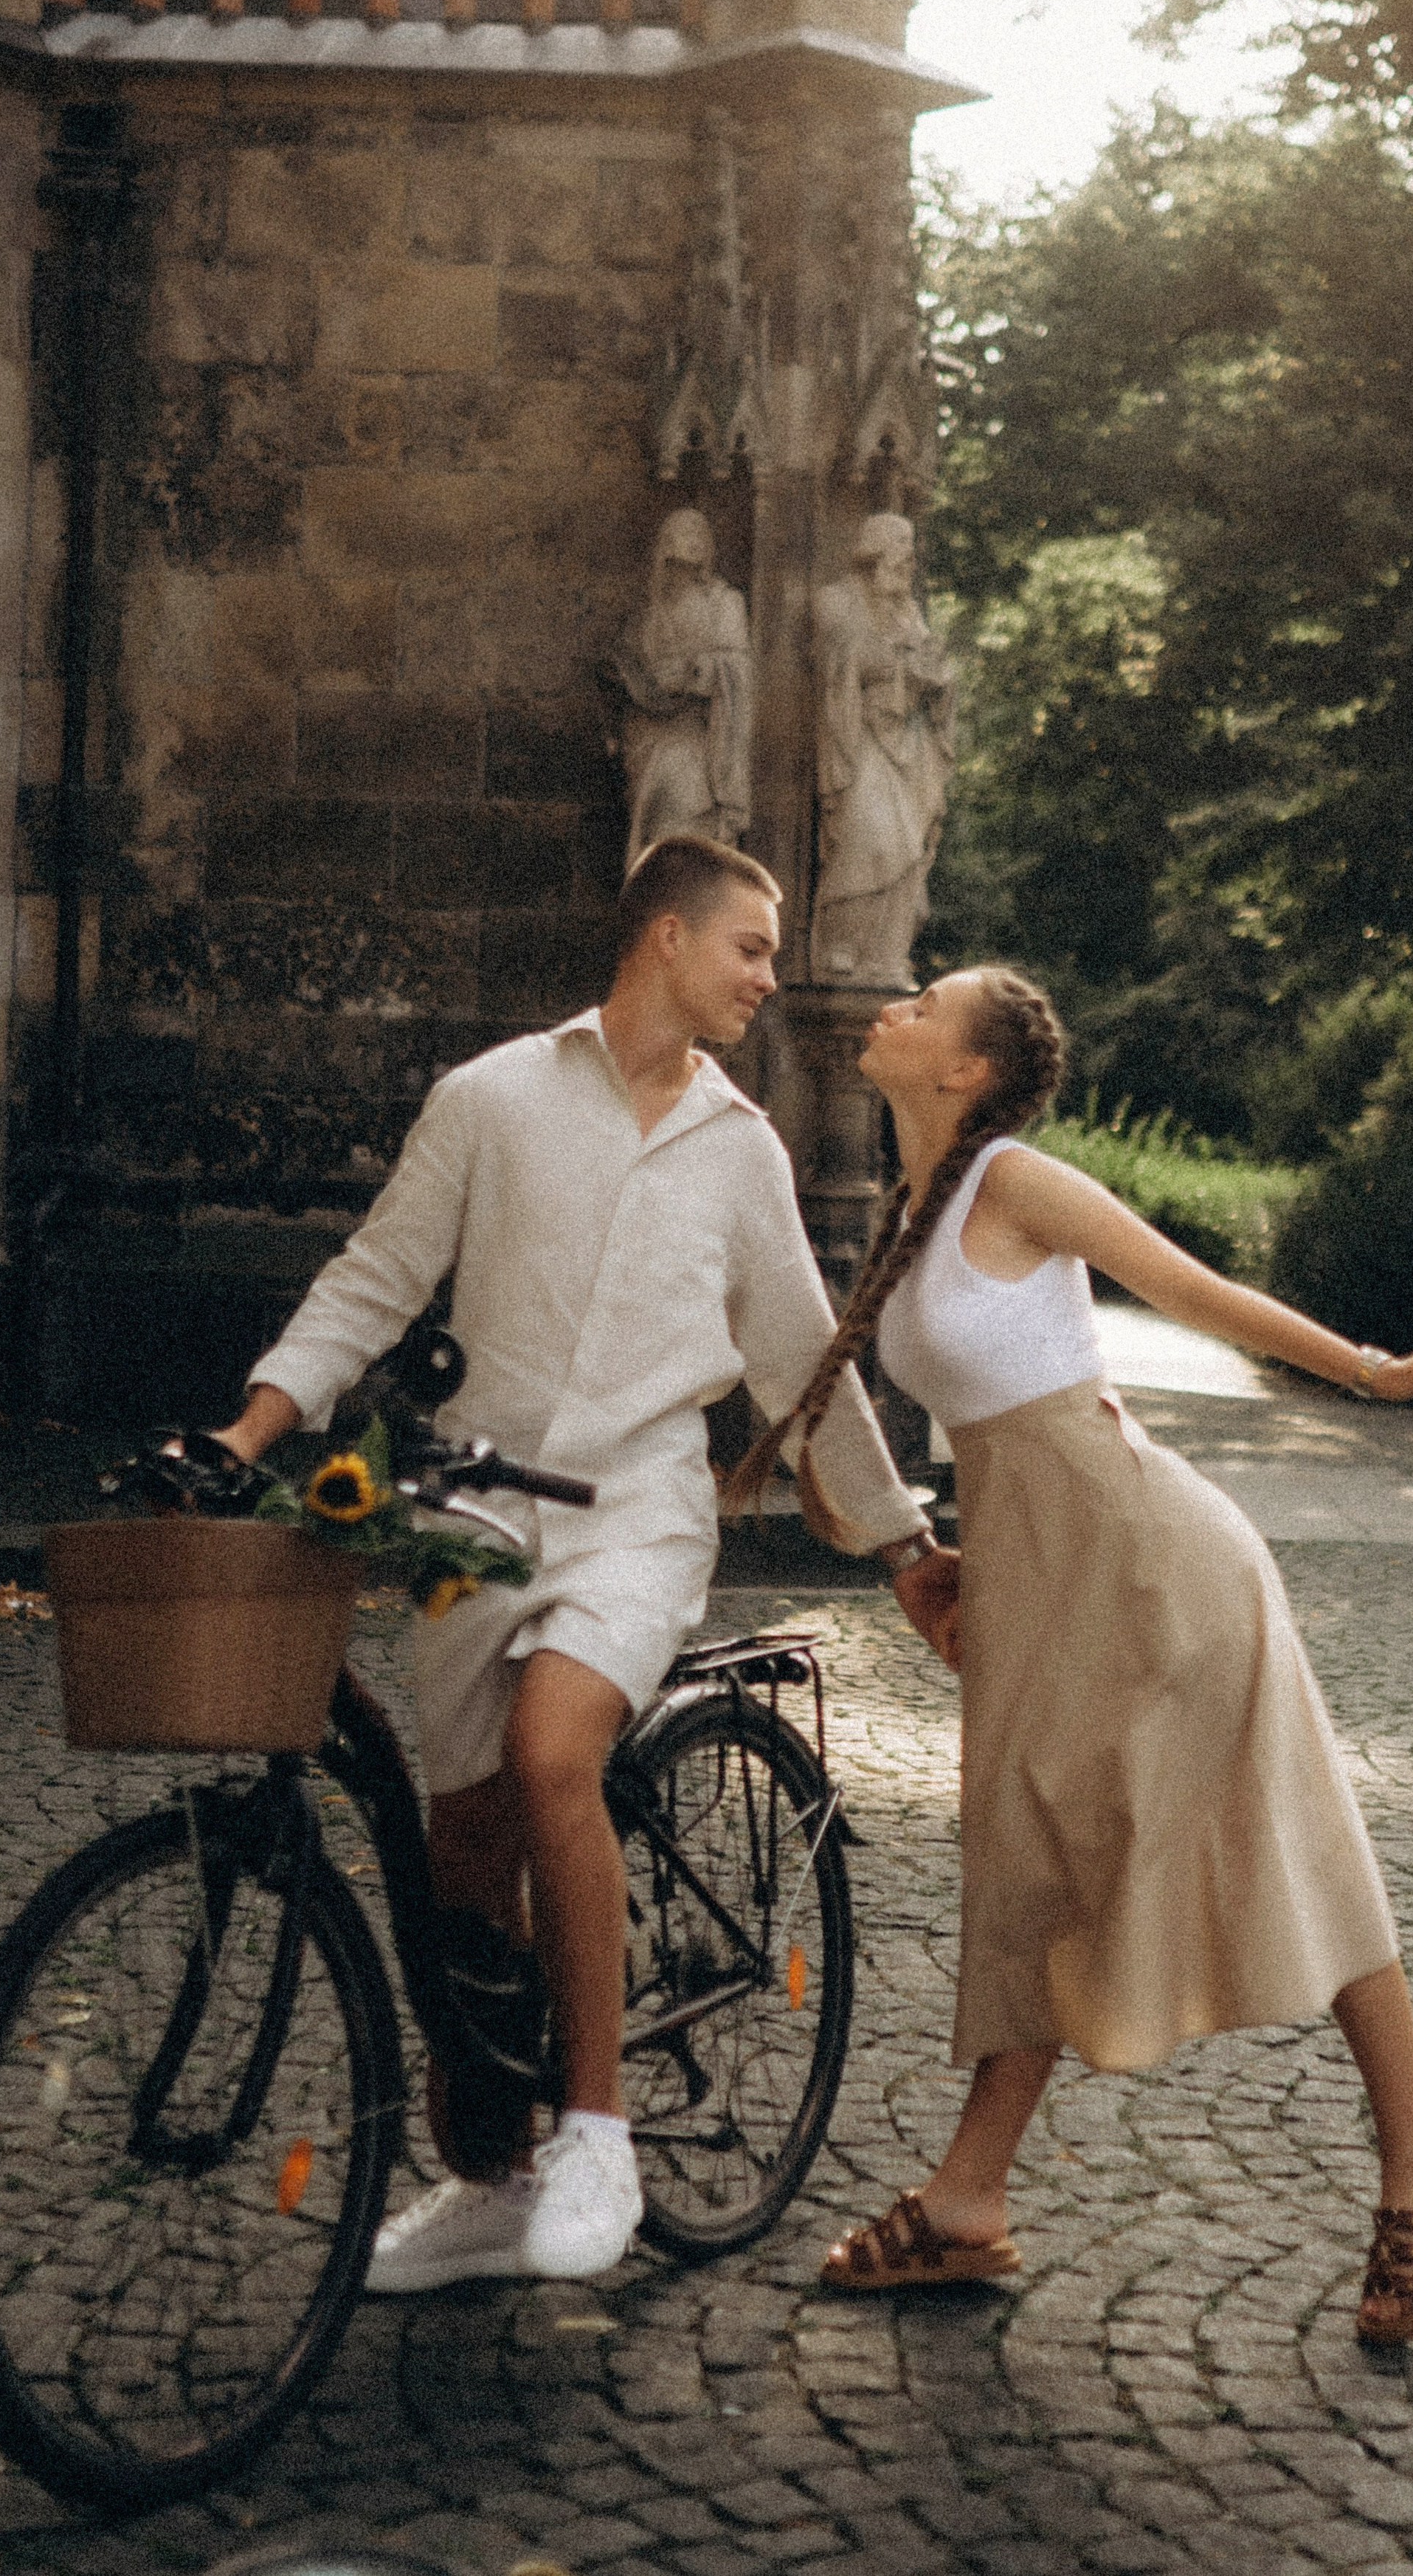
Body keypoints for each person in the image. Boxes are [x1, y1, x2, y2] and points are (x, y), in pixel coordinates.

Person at [213, 836, 953, 2290]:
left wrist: (896, 1538)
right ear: (664, 936)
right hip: (470, 1512)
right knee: (466, 1853)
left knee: (556, 1751)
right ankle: (491, 2180)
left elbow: (801, 1362)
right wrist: (251, 1431)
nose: (768, 974)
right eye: (750, 945)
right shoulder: (489, 1099)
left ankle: (600, 2137)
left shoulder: (739, 1148)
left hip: (640, 1505)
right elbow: (377, 1273)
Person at [728, 965, 1413, 2346]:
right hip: (1039, 1584)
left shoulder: (1013, 1178)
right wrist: (936, 1555)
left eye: (926, 1004)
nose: (892, 1009)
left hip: (1152, 1568)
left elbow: (1187, 1289)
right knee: (1036, 1868)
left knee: (1287, 1841)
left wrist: (1372, 1372)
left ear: (967, 1072)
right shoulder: (918, 1209)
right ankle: (970, 2200)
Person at [810, 513, 957, 990]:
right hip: (862, 741)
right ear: (873, 550)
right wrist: (897, 661)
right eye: (899, 545)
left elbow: (929, 661)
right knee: (867, 836)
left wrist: (933, 676)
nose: (908, 559)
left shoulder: (906, 609)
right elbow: (836, 658)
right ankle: (842, 945)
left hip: (910, 746)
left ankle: (886, 955)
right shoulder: (835, 600)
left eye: (911, 547)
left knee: (909, 852)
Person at [608, 509, 753, 868]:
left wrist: (696, 672)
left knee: (686, 817)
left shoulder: (724, 604)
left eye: (695, 540)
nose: (679, 568)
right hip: (650, 738)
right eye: (672, 558)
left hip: (699, 741)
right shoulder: (648, 612)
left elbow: (737, 670)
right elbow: (627, 668)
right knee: (655, 832)